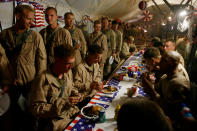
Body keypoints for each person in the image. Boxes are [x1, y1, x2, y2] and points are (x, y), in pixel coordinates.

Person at [0, 5, 47, 130]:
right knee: (12, 115)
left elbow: (42, 60)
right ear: (18, 16)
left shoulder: (35, 36)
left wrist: (38, 83)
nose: (32, 22)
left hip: (29, 83)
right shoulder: (4, 35)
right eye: (28, 19)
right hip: (10, 83)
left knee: (30, 115)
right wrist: (9, 79)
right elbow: (2, 60)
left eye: (32, 19)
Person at [30, 45, 81, 131]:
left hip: (68, 113)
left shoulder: (68, 72)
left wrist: (75, 94)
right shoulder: (42, 79)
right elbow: (36, 108)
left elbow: (70, 87)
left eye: (72, 63)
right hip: (52, 121)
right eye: (68, 63)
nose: (71, 67)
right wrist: (64, 103)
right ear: (57, 59)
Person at [142, 48, 190, 122]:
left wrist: (151, 91)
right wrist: (148, 85)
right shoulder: (166, 76)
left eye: (164, 61)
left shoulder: (177, 83)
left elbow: (171, 111)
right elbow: (158, 90)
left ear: (173, 63)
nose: (159, 63)